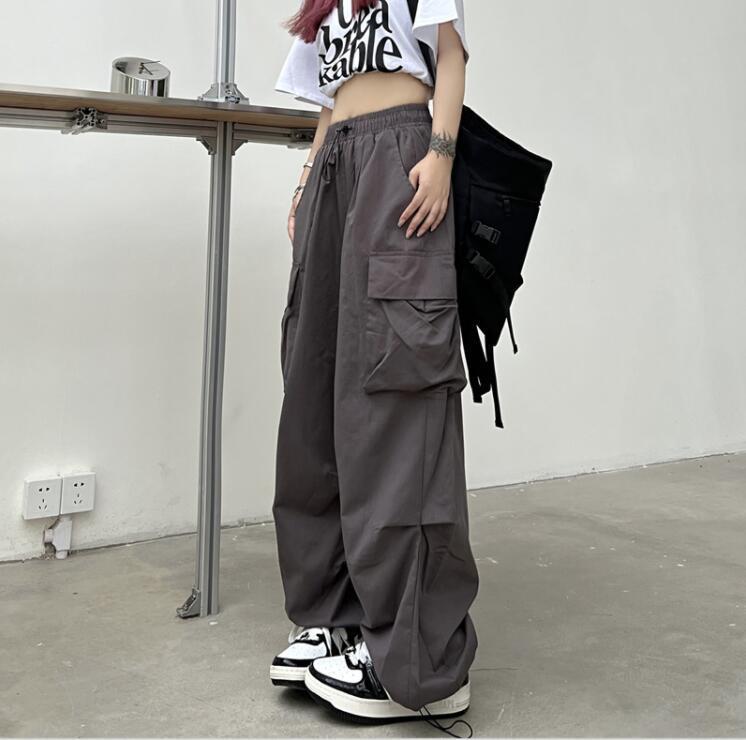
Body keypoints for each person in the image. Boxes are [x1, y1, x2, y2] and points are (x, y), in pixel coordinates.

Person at [270, 0, 478, 731]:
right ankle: (336, 618)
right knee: (315, 391)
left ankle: (420, 661)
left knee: (396, 397)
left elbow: (451, 56)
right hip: (338, 160)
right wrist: (306, 180)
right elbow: (329, 100)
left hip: (402, 155)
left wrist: (441, 155)